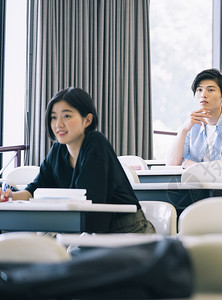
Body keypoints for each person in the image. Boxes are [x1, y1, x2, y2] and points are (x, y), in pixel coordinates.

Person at [0, 87, 155, 233]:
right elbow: (34, 190)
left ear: (87, 120)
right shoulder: (57, 151)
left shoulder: (95, 143)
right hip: (88, 231)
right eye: (53, 118)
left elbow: (92, 205)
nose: (58, 124)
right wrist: (10, 196)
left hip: (128, 229)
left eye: (67, 116)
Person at [166, 68, 222, 168]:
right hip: (195, 182)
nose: (203, 95)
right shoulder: (191, 125)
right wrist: (183, 130)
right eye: (199, 90)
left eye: (210, 90)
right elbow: (171, 165)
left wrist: (194, 165)